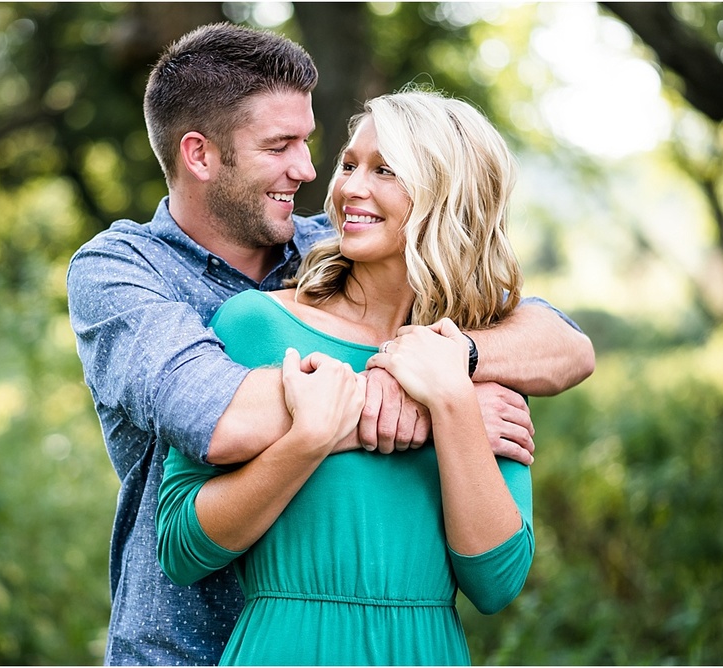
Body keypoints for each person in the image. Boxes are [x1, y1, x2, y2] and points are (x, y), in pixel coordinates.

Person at [66, 23, 594, 666]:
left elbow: (565, 345)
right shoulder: (123, 271)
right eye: (280, 145)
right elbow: (219, 414)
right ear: (200, 155)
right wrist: (424, 408)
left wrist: (452, 372)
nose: (312, 171)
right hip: (183, 647)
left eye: (313, 145)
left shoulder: (335, 245)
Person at [156, 86, 549, 666]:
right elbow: (180, 548)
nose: (348, 188)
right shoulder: (258, 324)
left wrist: (451, 405)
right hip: (284, 648)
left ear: (448, 195)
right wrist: (307, 440)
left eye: (385, 170)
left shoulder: (475, 358)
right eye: (348, 165)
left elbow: (496, 582)